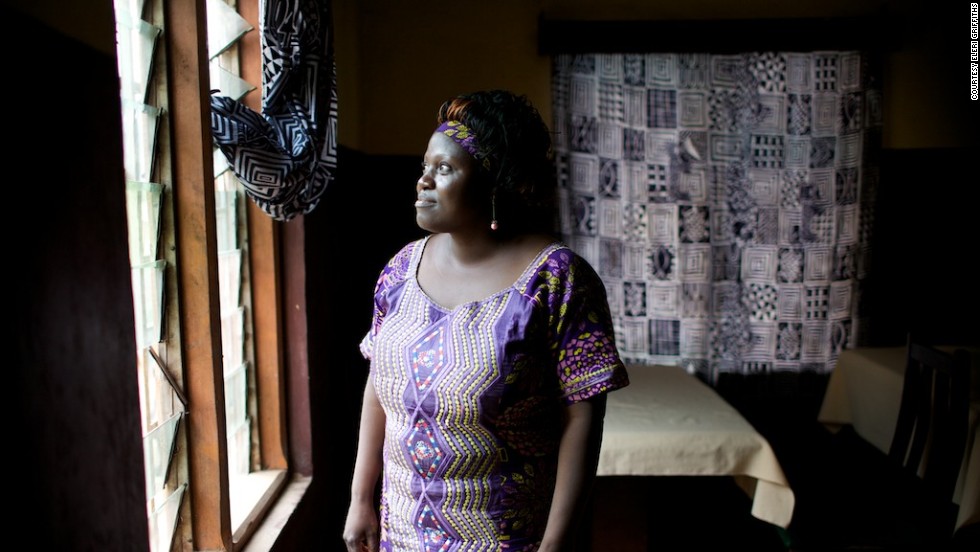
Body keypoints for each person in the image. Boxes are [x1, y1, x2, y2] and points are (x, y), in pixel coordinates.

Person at [343, 89, 630, 552]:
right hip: (400, 533)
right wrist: (360, 499)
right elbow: (378, 383)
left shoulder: (556, 281)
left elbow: (583, 421)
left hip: (506, 538)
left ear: (493, 183)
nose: (423, 182)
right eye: (424, 167)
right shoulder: (400, 270)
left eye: (445, 169)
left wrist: (555, 544)